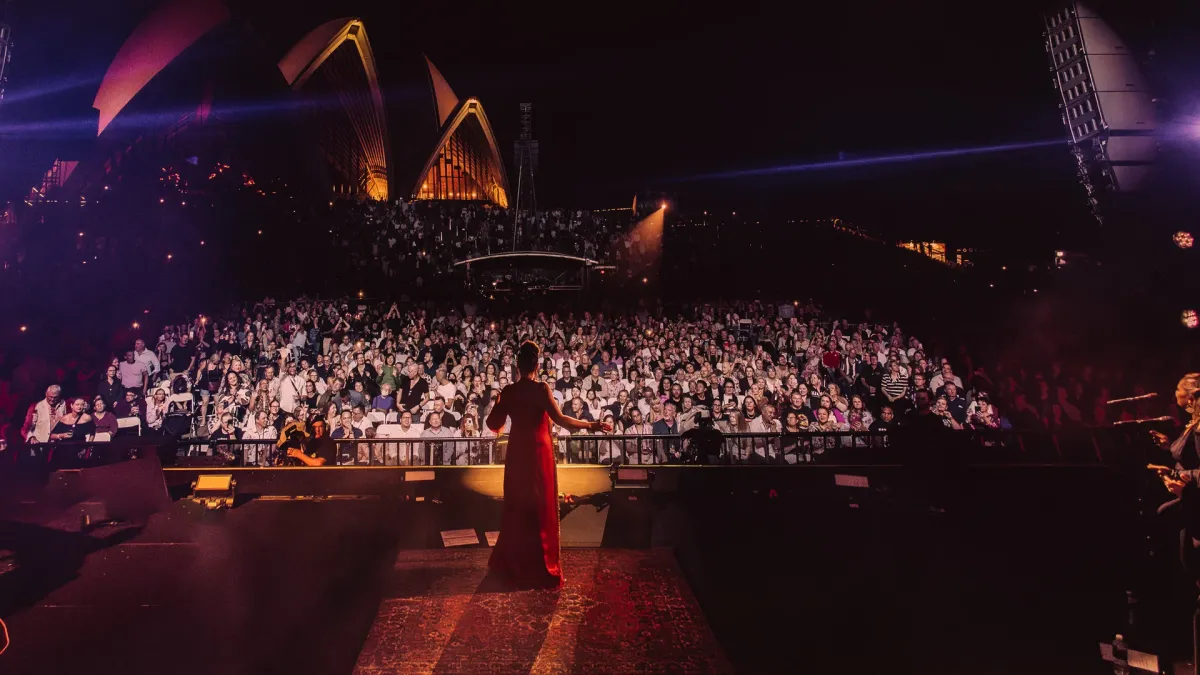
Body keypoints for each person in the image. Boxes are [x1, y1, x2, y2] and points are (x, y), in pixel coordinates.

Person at [485, 341, 609, 589]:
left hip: (517, 453)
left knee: (517, 505)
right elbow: (561, 420)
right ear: (537, 365)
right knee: (540, 507)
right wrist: (592, 425)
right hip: (539, 453)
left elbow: (492, 424)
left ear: (517, 365)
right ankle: (541, 563)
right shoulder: (541, 389)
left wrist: (499, 401)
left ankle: (513, 562)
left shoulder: (508, 391)